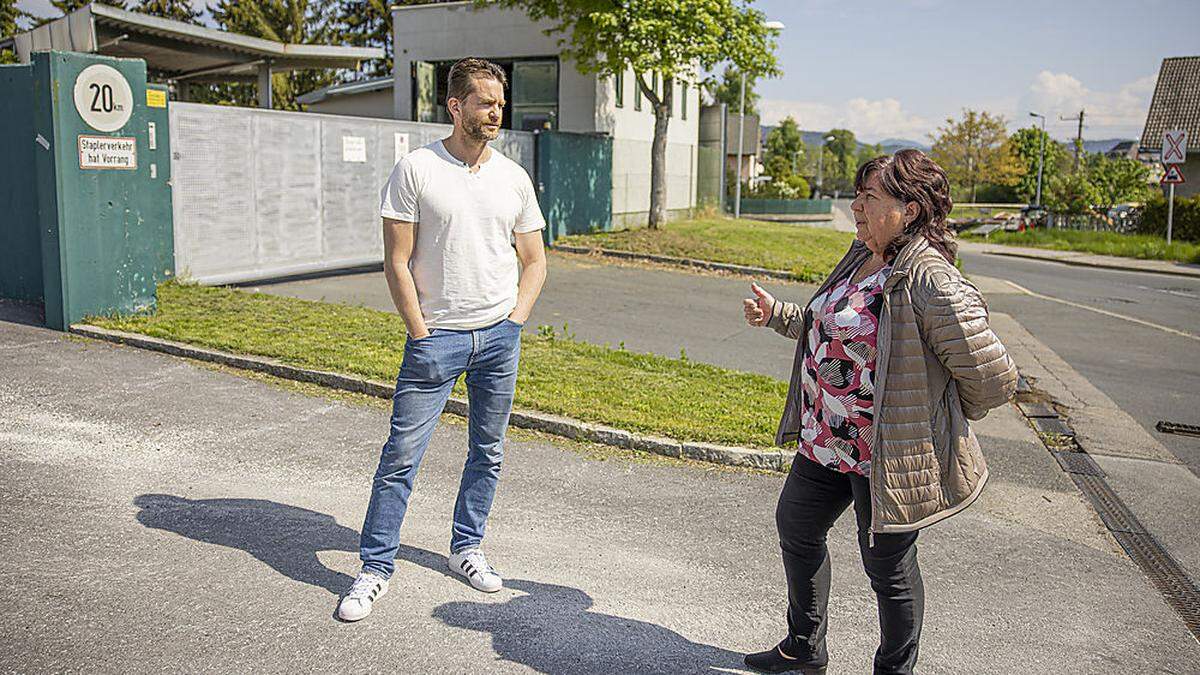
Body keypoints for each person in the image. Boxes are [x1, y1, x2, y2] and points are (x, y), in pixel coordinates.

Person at [740, 149, 1018, 673]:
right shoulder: (860, 253)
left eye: (870, 197)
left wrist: (937, 413)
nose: (856, 207)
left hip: (886, 454)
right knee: (796, 527)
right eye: (858, 195)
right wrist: (778, 315)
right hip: (827, 439)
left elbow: (993, 377)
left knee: (887, 569)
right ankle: (804, 648)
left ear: (909, 210)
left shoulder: (930, 280)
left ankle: (894, 670)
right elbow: (833, 326)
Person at [337, 57, 548, 622]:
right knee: (402, 457)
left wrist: (514, 322)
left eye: (500, 103)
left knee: (489, 452)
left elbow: (534, 262)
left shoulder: (513, 177)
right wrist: (421, 333)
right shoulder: (416, 170)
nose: (496, 112)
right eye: (485, 102)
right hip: (437, 341)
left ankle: (466, 548)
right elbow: (396, 262)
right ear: (455, 106)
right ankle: (375, 568)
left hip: (499, 340)